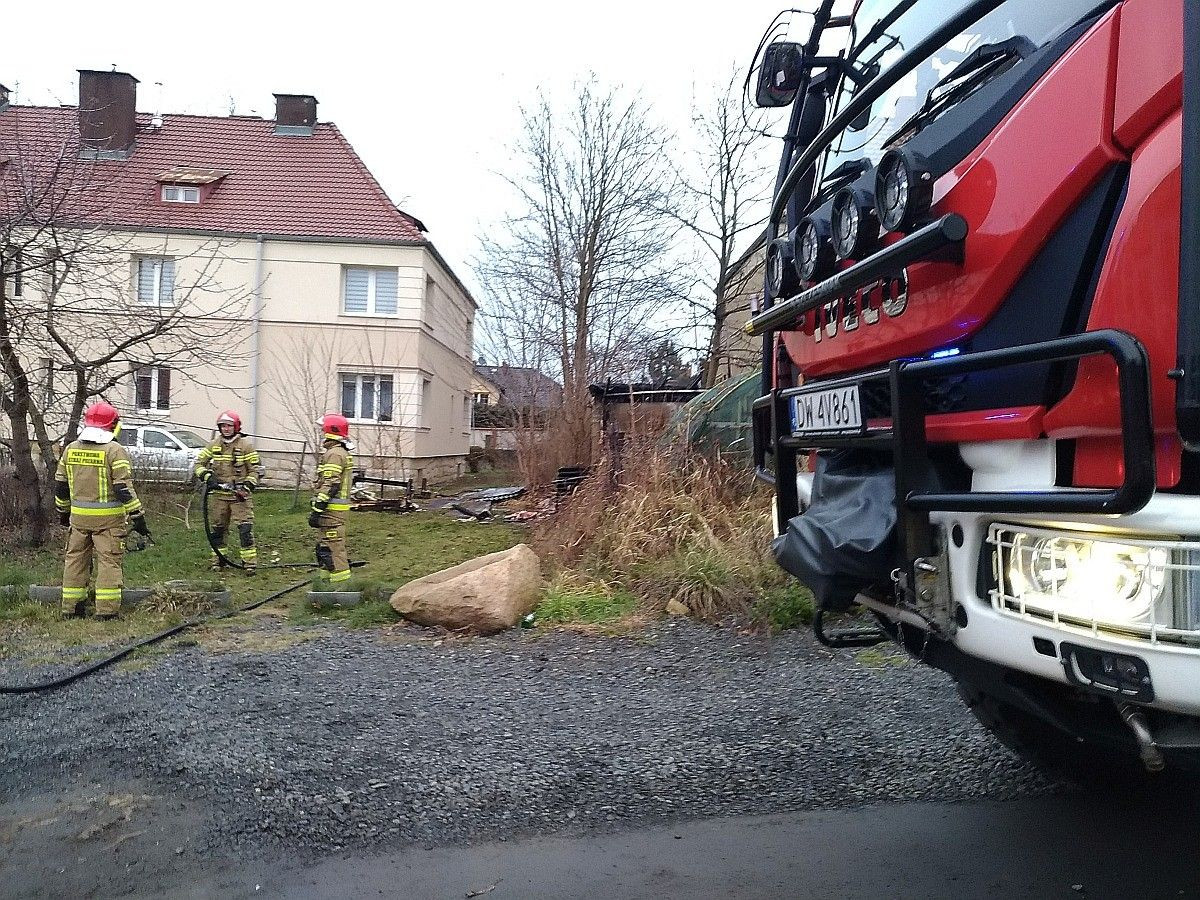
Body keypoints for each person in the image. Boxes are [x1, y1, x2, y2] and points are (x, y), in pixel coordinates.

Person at [54, 402, 149, 619]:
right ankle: (106, 612)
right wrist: (137, 515)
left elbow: (60, 485)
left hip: (78, 520)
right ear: (113, 425)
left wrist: (63, 512)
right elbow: (123, 487)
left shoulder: (71, 449)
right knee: (109, 562)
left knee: (75, 560)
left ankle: (71, 608)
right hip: (108, 522)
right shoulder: (114, 450)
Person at [194, 410, 264, 573]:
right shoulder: (214, 445)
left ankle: (249, 564)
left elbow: (256, 470)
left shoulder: (246, 446)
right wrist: (207, 476)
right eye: (223, 426)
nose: (226, 429)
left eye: (229, 426)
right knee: (218, 530)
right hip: (219, 496)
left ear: (236, 427)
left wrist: (246, 487)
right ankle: (218, 561)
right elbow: (198, 464)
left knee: (245, 529)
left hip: (240, 497)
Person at [309, 413, 353, 584]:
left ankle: (340, 587)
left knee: (333, 548)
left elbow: (331, 484)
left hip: (331, 512)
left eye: (323, 429)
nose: (321, 432)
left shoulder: (334, 454)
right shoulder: (338, 452)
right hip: (331, 512)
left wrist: (317, 509)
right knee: (324, 547)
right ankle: (325, 584)